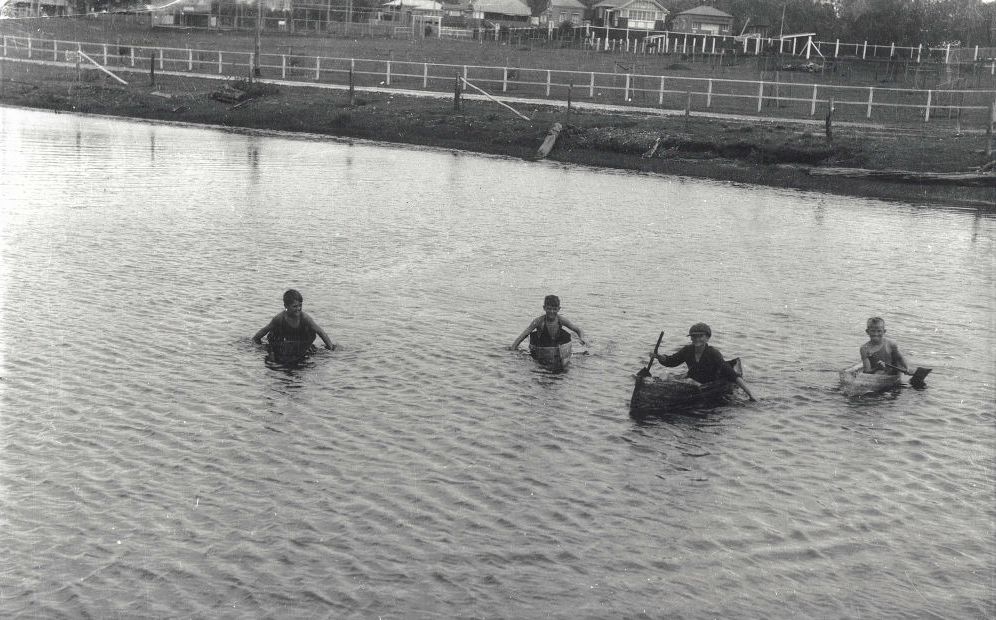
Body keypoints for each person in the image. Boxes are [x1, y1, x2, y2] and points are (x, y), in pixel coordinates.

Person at [655, 322, 755, 401]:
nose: (697, 339)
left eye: (700, 336)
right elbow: (671, 361)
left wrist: (750, 395)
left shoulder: (713, 353)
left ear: (707, 338)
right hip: (693, 380)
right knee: (664, 376)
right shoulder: (687, 350)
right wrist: (659, 357)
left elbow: (733, 375)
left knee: (687, 381)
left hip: (710, 382)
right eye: (694, 336)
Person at [253, 289, 335, 363]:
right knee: (273, 356)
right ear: (286, 306)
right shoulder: (280, 318)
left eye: (300, 305)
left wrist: (330, 348)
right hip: (283, 341)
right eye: (295, 306)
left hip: (301, 340)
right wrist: (256, 342)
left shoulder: (305, 318)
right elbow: (264, 331)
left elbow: (320, 332)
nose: (298, 309)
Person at [510, 294, 586, 350]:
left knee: (566, 336)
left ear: (558, 309)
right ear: (544, 308)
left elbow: (578, 330)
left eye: (554, 309)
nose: (551, 312)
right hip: (542, 346)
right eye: (549, 309)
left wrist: (582, 338)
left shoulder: (561, 320)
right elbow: (523, 335)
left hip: (555, 345)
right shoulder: (538, 321)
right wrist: (513, 348)